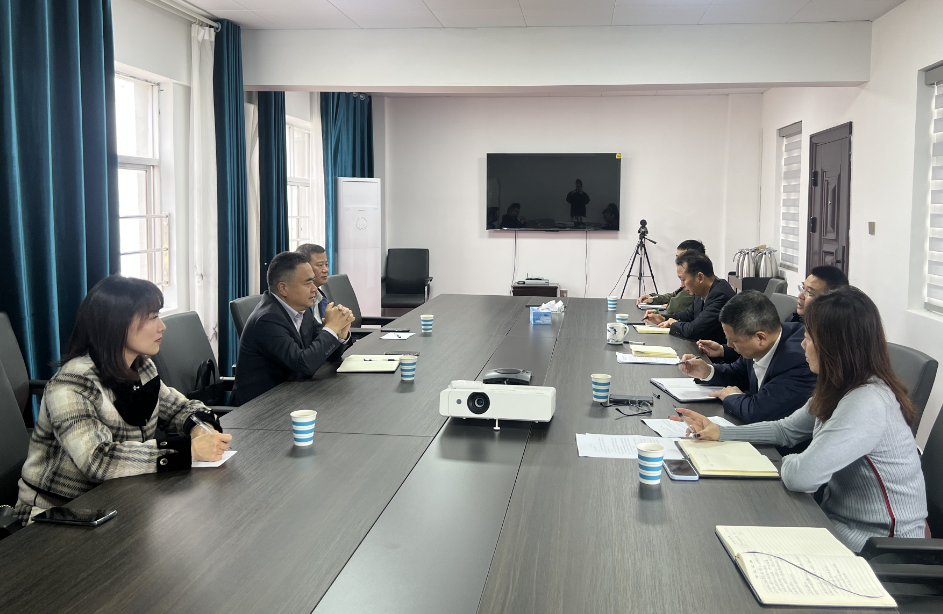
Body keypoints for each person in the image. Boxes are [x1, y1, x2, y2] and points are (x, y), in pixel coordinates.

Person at [674, 287, 927, 552]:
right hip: (834, 520)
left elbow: (801, 477)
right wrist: (721, 432)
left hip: (879, 545)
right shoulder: (839, 386)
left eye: (808, 338)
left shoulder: (866, 401)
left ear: (834, 346)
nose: (802, 344)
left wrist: (786, 461)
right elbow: (786, 430)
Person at [13, 275, 232, 525]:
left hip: (120, 500)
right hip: (58, 513)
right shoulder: (72, 384)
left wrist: (201, 428)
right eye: (152, 317)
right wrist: (187, 450)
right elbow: (97, 460)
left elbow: (180, 408)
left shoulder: (142, 368)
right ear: (117, 325)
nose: (162, 326)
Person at [231, 251, 355, 406]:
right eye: (308, 283)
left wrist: (340, 334)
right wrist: (331, 328)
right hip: (259, 408)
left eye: (313, 282)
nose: (314, 289)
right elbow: (304, 365)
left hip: (291, 395)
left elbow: (326, 354)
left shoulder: (302, 310)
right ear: (283, 288)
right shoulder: (267, 320)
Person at [678, 291, 816, 423]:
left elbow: (759, 412)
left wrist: (732, 397)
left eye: (734, 340)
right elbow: (738, 373)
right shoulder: (764, 339)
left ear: (760, 338)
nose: (729, 345)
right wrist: (707, 371)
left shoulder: (798, 359)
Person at [644, 251, 735, 345]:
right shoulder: (701, 291)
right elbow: (687, 316)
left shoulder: (720, 295)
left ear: (700, 277)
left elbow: (694, 330)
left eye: (683, 279)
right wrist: (663, 317)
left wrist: (672, 324)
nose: (682, 285)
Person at [637, 240, 705, 313]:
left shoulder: (696, 284)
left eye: (681, 259)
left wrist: (669, 306)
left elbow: (675, 306)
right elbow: (674, 295)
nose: (678, 262)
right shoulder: (689, 281)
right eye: (677, 258)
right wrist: (653, 298)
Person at [297, 243, 334, 325]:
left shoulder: (321, 297)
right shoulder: (299, 301)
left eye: (326, 264)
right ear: (304, 266)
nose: (325, 270)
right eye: (320, 265)